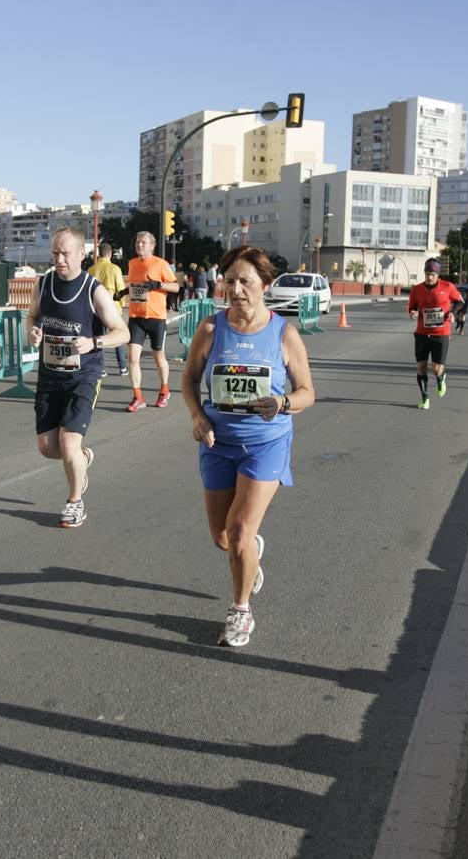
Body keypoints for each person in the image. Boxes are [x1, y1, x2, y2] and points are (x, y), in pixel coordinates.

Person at [182, 246, 316, 648]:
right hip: (217, 442)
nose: (236, 290)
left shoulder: (284, 334)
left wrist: (282, 402)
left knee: (239, 531)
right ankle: (250, 554)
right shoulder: (211, 329)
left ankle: (240, 610)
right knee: (222, 537)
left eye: (246, 282)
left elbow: (307, 392)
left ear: (266, 286)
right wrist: (197, 416)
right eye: (229, 281)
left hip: (266, 444)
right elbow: (189, 379)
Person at [26, 227, 129, 528]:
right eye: (55, 253)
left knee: (68, 441)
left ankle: (75, 502)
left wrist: (94, 342)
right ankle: (81, 459)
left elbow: (122, 332)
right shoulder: (43, 284)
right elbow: (31, 316)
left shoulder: (93, 289)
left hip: (83, 376)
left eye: (65, 254)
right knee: (47, 447)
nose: (59, 260)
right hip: (50, 376)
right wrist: (32, 332)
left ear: (82, 254)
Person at [124, 231, 179, 411]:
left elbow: (176, 286)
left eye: (143, 242)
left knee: (158, 356)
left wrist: (159, 284)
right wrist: (122, 293)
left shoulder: (161, 264)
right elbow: (134, 286)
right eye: (138, 242)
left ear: (152, 246)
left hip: (156, 317)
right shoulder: (132, 263)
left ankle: (164, 390)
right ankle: (138, 397)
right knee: (132, 358)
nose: (139, 245)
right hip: (136, 316)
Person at [406, 259, 463, 409]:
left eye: (432, 275)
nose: (429, 277)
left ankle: (441, 377)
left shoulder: (448, 286)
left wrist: (453, 313)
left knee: (436, 369)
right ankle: (424, 398)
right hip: (421, 333)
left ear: (438, 275)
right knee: (421, 367)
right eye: (427, 274)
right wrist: (412, 313)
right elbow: (412, 308)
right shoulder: (417, 289)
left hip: (441, 333)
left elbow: (460, 301)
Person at [85, 242, 129, 375]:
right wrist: (121, 304)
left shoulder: (91, 269)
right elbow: (120, 289)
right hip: (113, 307)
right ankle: (122, 367)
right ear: (109, 254)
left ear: (99, 254)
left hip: (96, 308)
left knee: (99, 338)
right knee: (118, 335)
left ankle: (102, 368)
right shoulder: (115, 268)